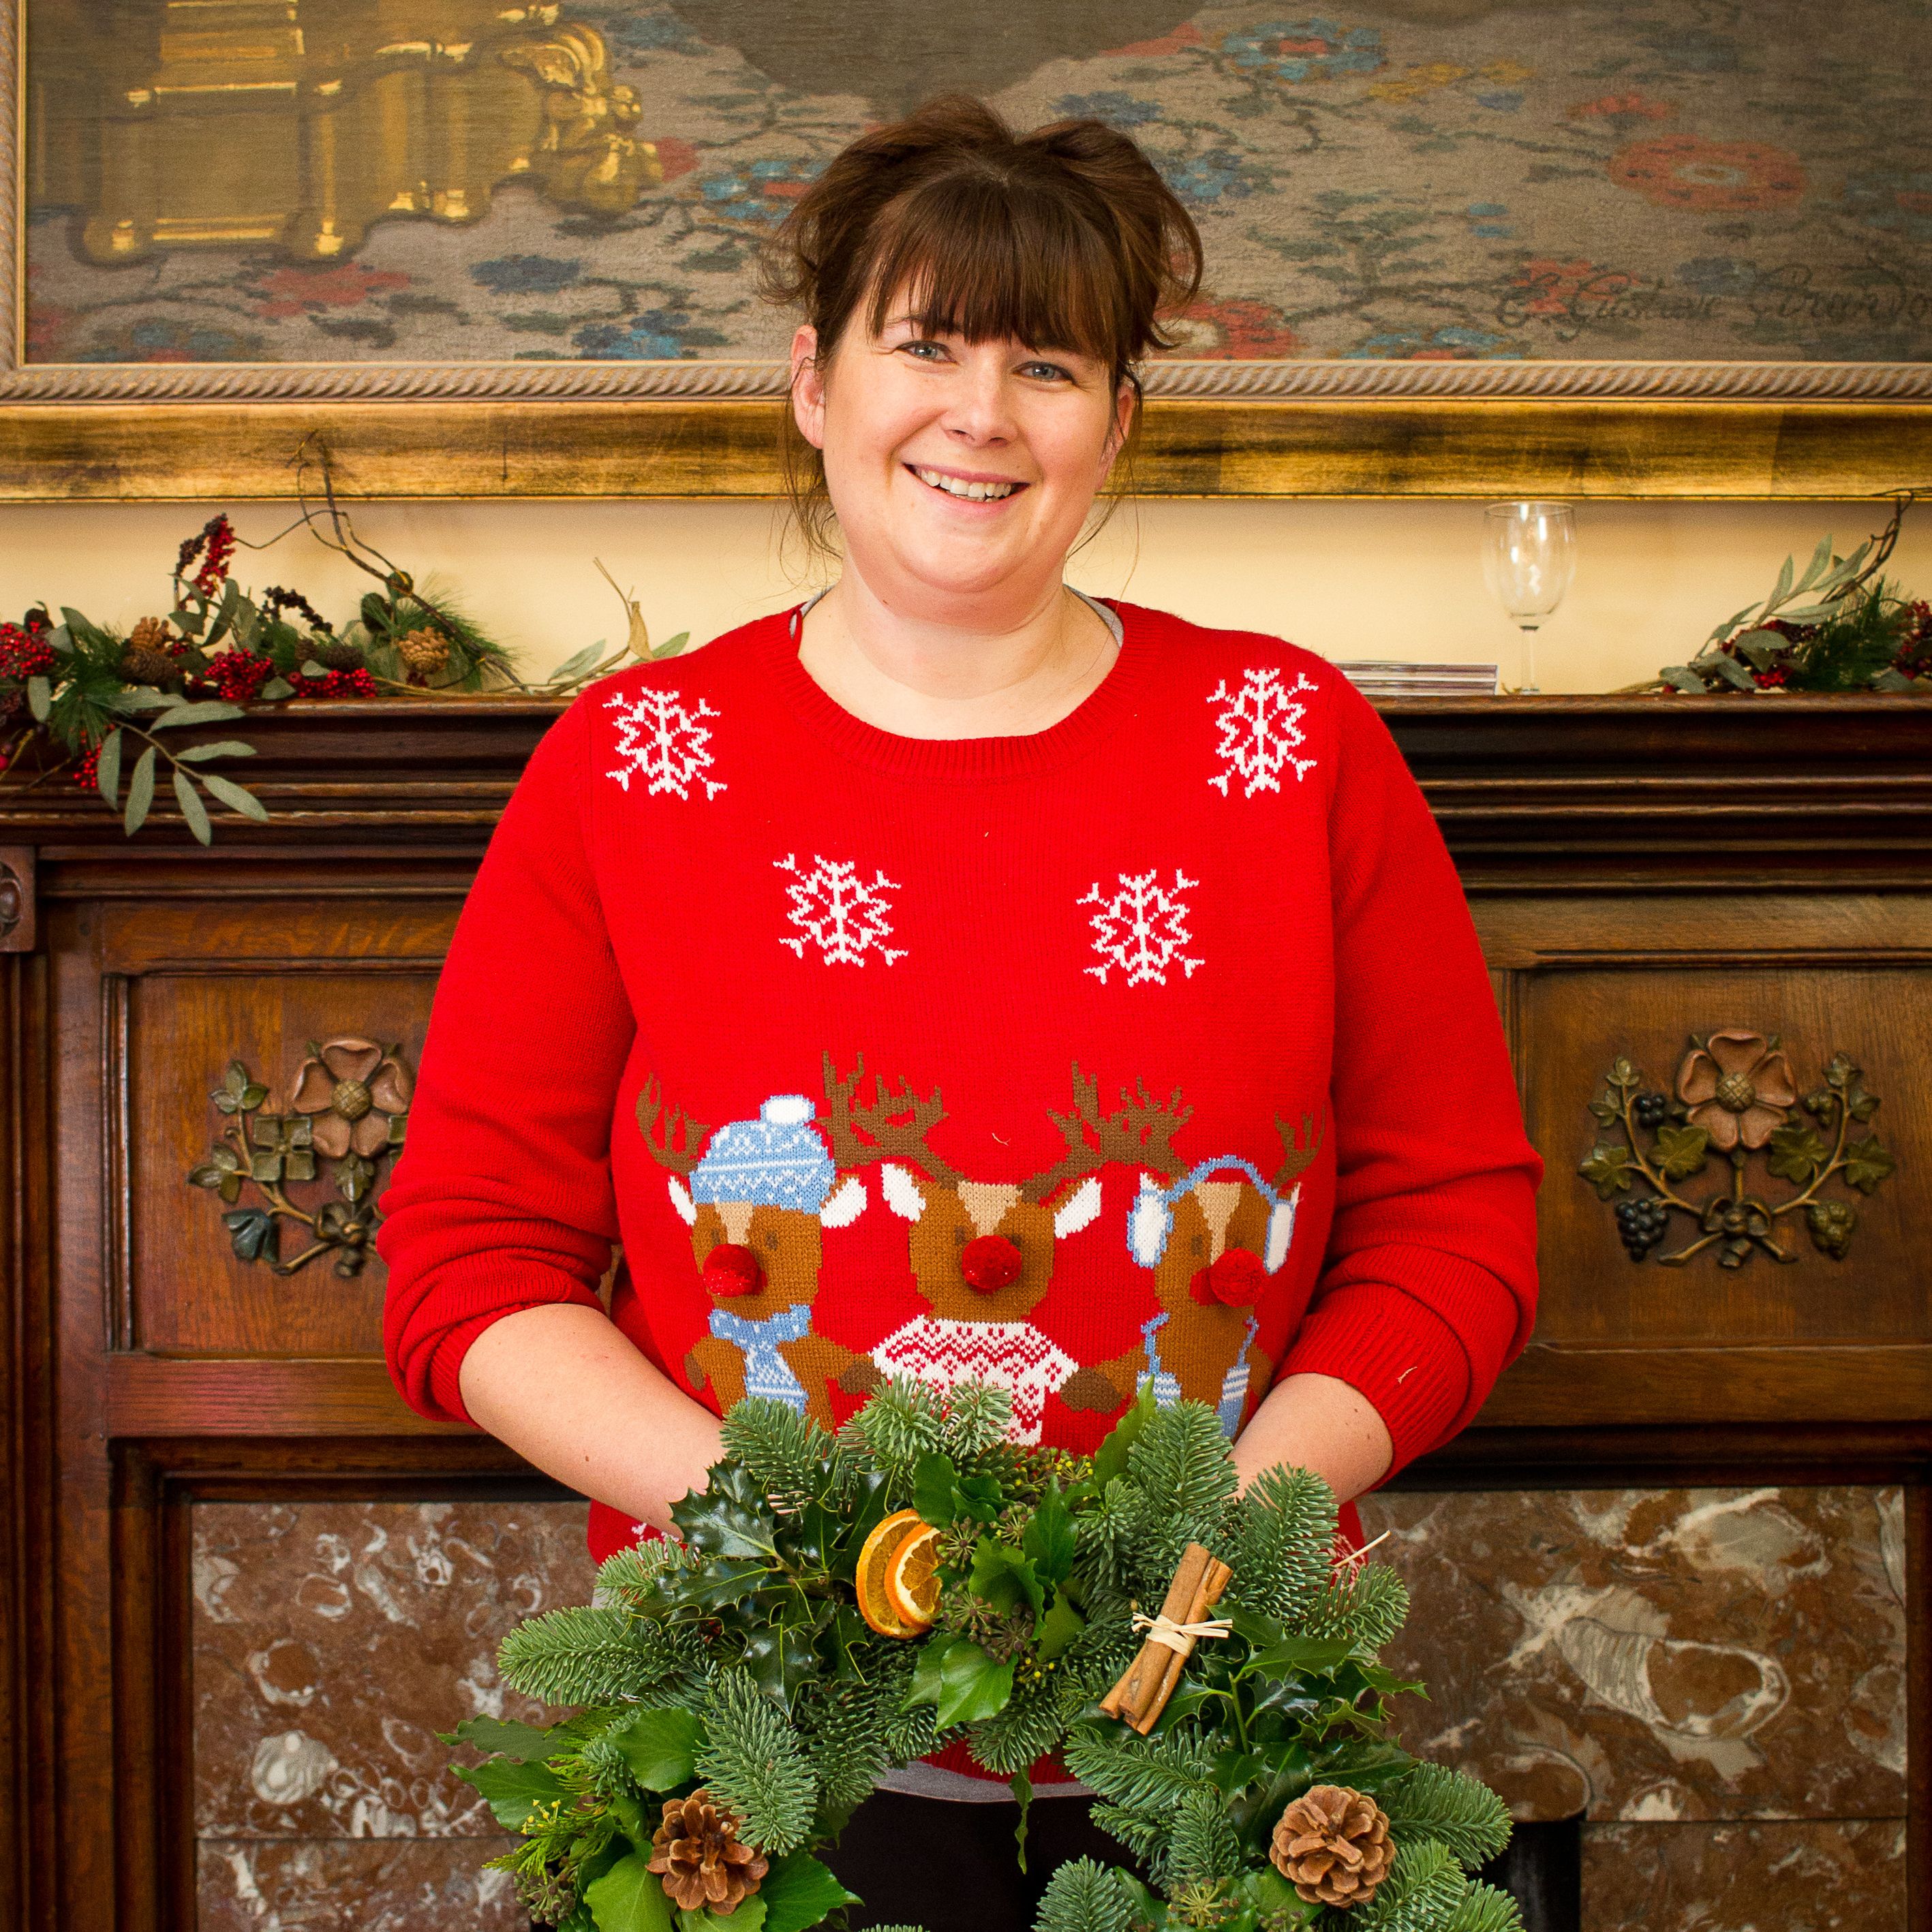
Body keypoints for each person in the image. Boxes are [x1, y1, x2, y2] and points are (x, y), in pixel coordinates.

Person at [379, 93, 1542, 1932]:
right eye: (921, 343)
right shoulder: (632, 766)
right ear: (812, 383)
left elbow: (1455, 1221)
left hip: (1217, 1743)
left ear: (1118, 422)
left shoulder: (1291, 750)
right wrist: (797, 1535)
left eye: (1048, 362)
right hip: (742, 1749)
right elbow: (466, 1264)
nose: (979, 411)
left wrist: (1223, 1521)